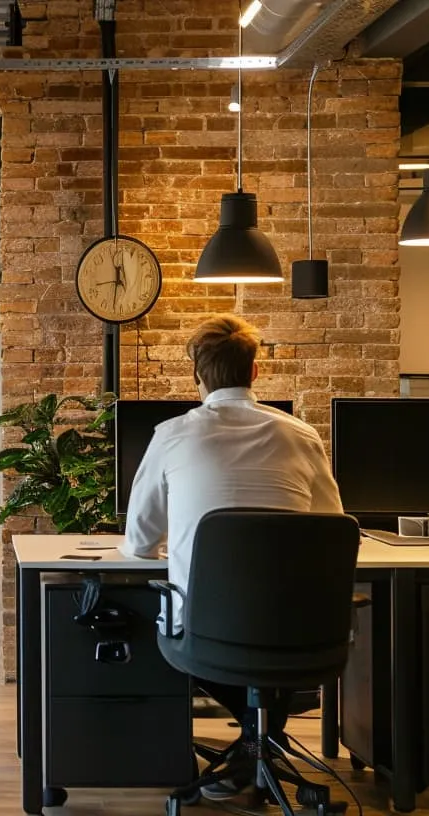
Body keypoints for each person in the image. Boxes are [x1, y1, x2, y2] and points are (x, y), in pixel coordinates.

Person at [120, 314, 343, 801]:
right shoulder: (303, 436)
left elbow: (138, 542)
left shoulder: (172, 434)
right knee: (271, 650)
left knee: (179, 626)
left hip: (206, 637)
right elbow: (332, 526)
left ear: (197, 376)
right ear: (256, 373)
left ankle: (248, 748)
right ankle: (254, 744)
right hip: (302, 632)